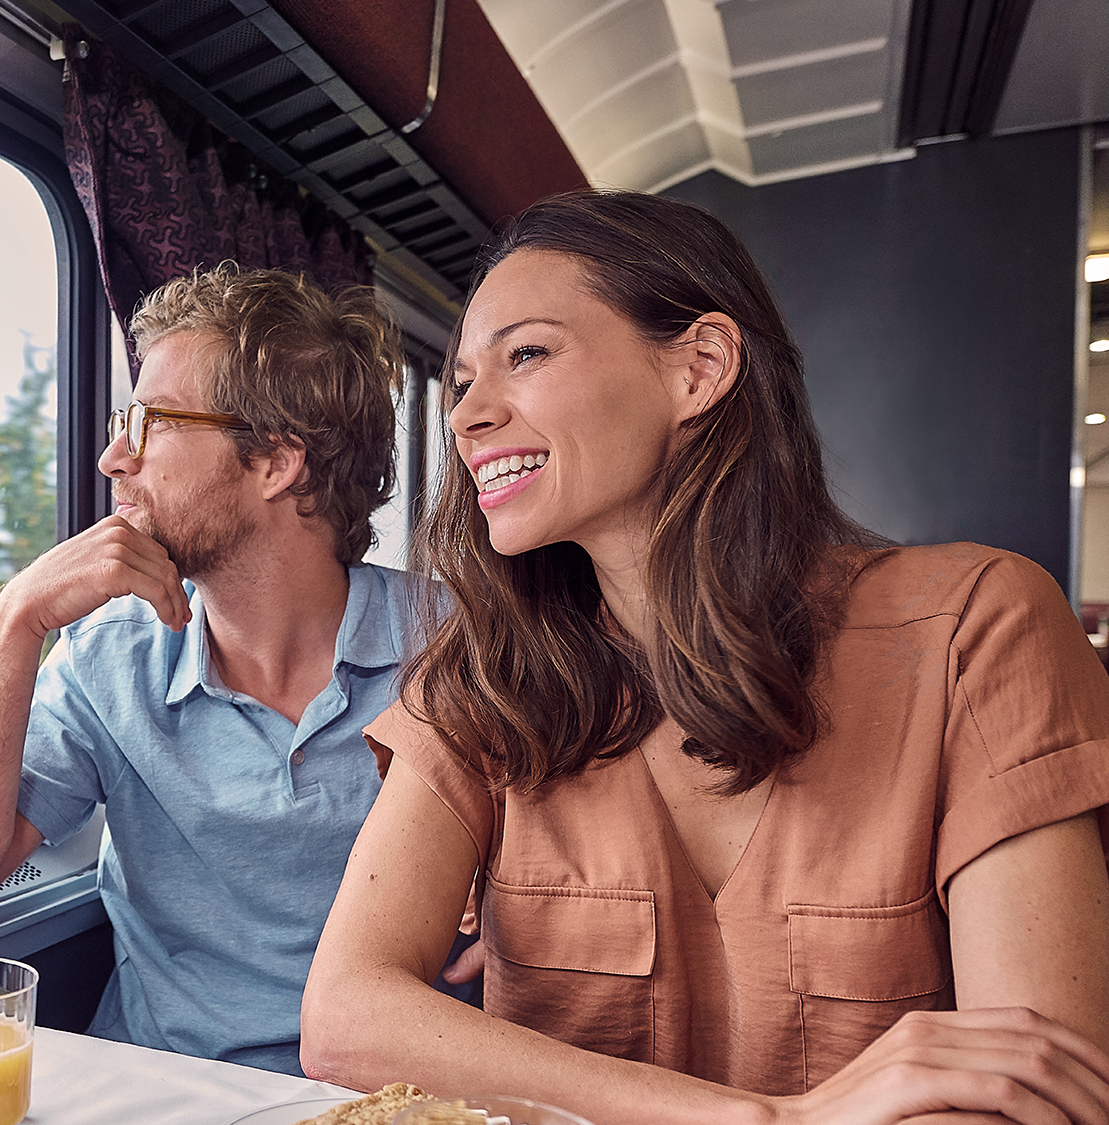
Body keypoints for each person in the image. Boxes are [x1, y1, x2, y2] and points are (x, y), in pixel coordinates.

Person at [299, 190, 1109, 1123]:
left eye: (524, 354)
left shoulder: (980, 626)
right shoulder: (481, 678)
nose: (467, 413)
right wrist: (772, 1118)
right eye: (464, 378)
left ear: (701, 367)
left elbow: (1035, 1088)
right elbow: (346, 1014)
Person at [0, 264, 414, 1076]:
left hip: (388, 1093)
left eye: (151, 422)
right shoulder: (109, 659)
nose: (112, 459)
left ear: (277, 461)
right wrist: (15, 620)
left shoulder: (459, 649)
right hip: (163, 1086)